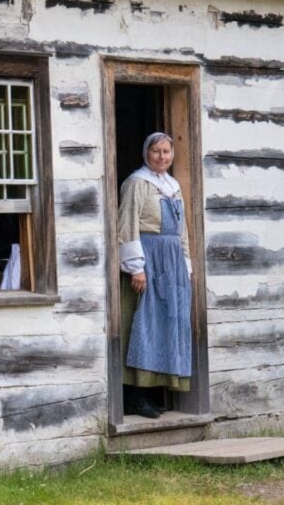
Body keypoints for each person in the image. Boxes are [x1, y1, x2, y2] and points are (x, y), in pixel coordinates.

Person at [118, 132, 192, 419]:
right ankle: (134, 396)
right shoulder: (137, 183)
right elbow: (126, 224)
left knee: (167, 325)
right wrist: (136, 267)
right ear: (146, 153)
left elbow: (182, 231)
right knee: (144, 325)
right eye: (156, 151)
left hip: (171, 263)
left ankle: (153, 392)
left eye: (166, 151)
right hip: (148, 259)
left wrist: (185, 265)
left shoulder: (173, 186)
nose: (162, 157)